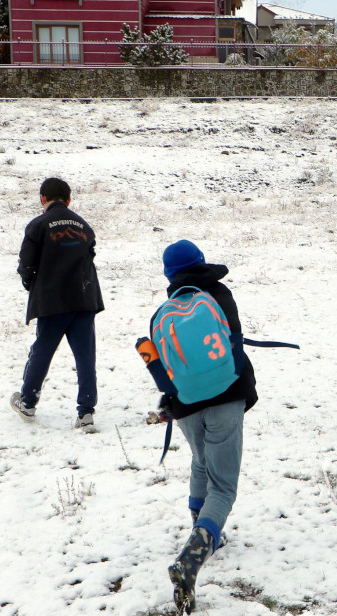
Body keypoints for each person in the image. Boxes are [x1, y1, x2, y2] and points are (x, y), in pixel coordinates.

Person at [134, 240, 257, 615]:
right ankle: (195, 552)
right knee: (224, 487)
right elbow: (234, 346)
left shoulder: (163, 312)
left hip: (185, 405)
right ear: (200, 263)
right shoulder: (219, 296)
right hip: (226, 396)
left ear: (169, 275)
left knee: (201, 461)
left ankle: (199, 527)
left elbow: (165, 368)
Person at [10, 177, 104, 430]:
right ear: (69, 200)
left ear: (42, 198)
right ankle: (86, 413)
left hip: (53, 301)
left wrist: (32, 285)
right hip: (85, 299)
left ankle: (28, 402)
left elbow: (26, 264)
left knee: (43, 350)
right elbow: (90, 256)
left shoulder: (38, 225)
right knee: (85, 356)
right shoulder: (84, 225)